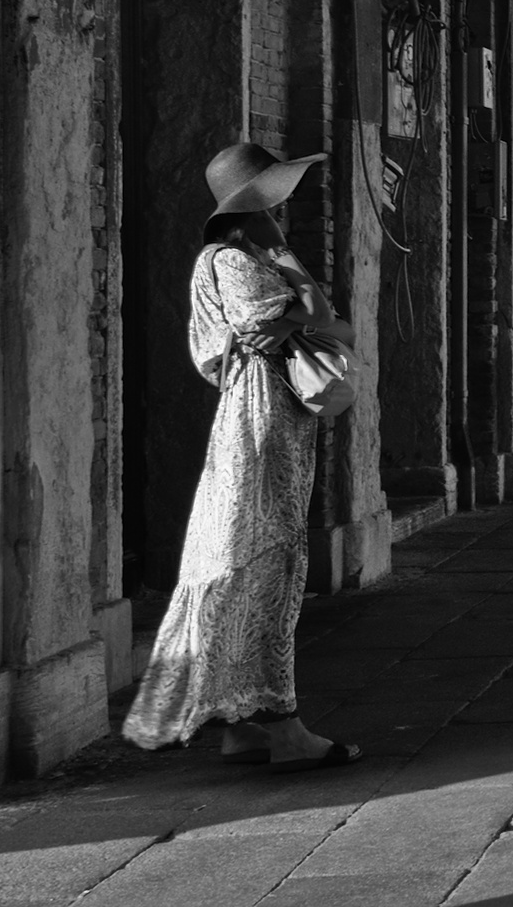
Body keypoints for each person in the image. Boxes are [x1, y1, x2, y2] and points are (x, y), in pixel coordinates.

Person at [123, 142, 364, 773]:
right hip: (258, 416)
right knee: (261, 556)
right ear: (253, 203)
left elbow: (338, 329)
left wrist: (297, 309)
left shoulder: (246, 258)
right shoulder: (232, 259)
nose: (286, 202)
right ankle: (278, 725)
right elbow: (316, 313)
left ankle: (244, 725)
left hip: (273, 413)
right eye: (276, 194)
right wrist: (289, 265)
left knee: (264, 555)